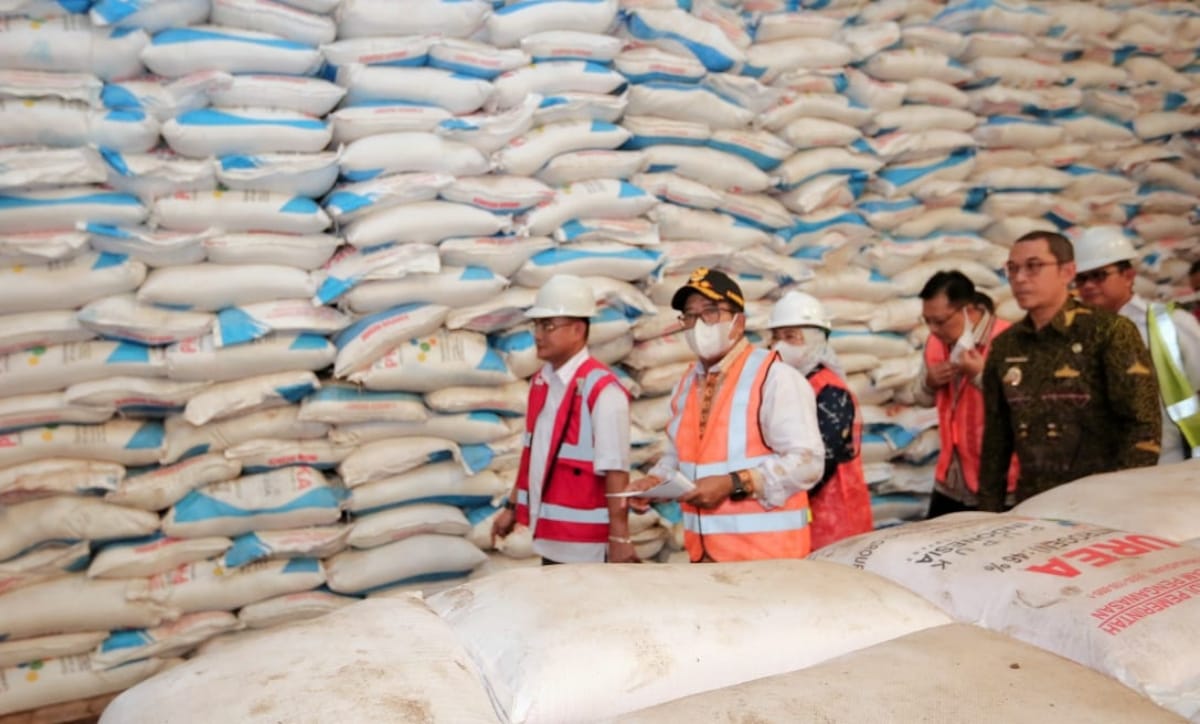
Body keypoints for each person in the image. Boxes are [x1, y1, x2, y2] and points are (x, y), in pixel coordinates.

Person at [629, 268, 825, 562]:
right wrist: (655, 481)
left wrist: (734, 482)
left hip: (768, 560)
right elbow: (680, 457)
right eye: (690, 316)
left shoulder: (775, 377)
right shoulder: (686, 384)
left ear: (738, 322)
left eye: (710, 312)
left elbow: (808, 462)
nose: (699, 324)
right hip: (705, 557)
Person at [978, 231, 1162, 512]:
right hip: (1035, 506)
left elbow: (1142, 425)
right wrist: (988, 513)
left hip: (1103, 507)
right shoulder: (1006, 346)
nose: (1020, 278)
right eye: (1012, 269)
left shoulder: (1107, 332)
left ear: (1067, 271)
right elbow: (996, 440)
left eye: (1034, 266)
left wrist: (1121, 501)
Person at [491, 274, 638, 564]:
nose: (538, 335)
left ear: (577, 329)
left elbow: (616, 470)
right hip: (549, 537)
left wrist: (620, 538)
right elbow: (533, 453)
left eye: (548, 325)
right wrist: (512, 507)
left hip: (587, 545)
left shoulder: (602, 389)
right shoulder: (541, 383)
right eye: (536, 325)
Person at [1072, 226, 1200, 462]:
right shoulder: (1076, 335)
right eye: (1081, 279)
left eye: (1099, 275)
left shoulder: (1171, 323)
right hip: (1105, 464)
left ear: (1128, 276)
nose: (1088, 285)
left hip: (1170, 460)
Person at [766, 291, 873, 549]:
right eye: (776, 337)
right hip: (801, 516)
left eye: (791, 337)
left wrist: (771, 491)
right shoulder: (788, 385)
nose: (780, 346)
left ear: (815, 339)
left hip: (834, 521)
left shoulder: (830, 392)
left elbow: (822, 463)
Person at [910, 271, 1017, 517]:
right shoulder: (935, 342)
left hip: (998, 482)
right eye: (927, 321)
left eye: (940, 321)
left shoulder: (1007, 341)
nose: (933, 329)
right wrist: (929, 382)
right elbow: (921, 398)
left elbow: (1023, 405)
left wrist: (980, 376)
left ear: (968, 310)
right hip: (951, 479)